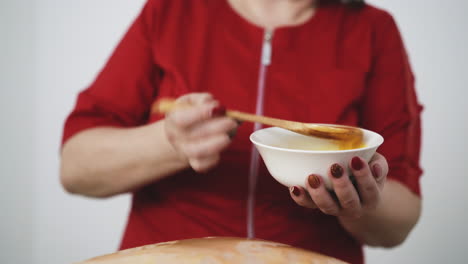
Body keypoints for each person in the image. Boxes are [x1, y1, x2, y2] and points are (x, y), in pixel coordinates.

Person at [60, 0, 423, 263]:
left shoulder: (373, 29)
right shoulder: (171, 11)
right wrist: (171, 143)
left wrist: (358, 201)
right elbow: (76, 170)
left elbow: (399, 221)